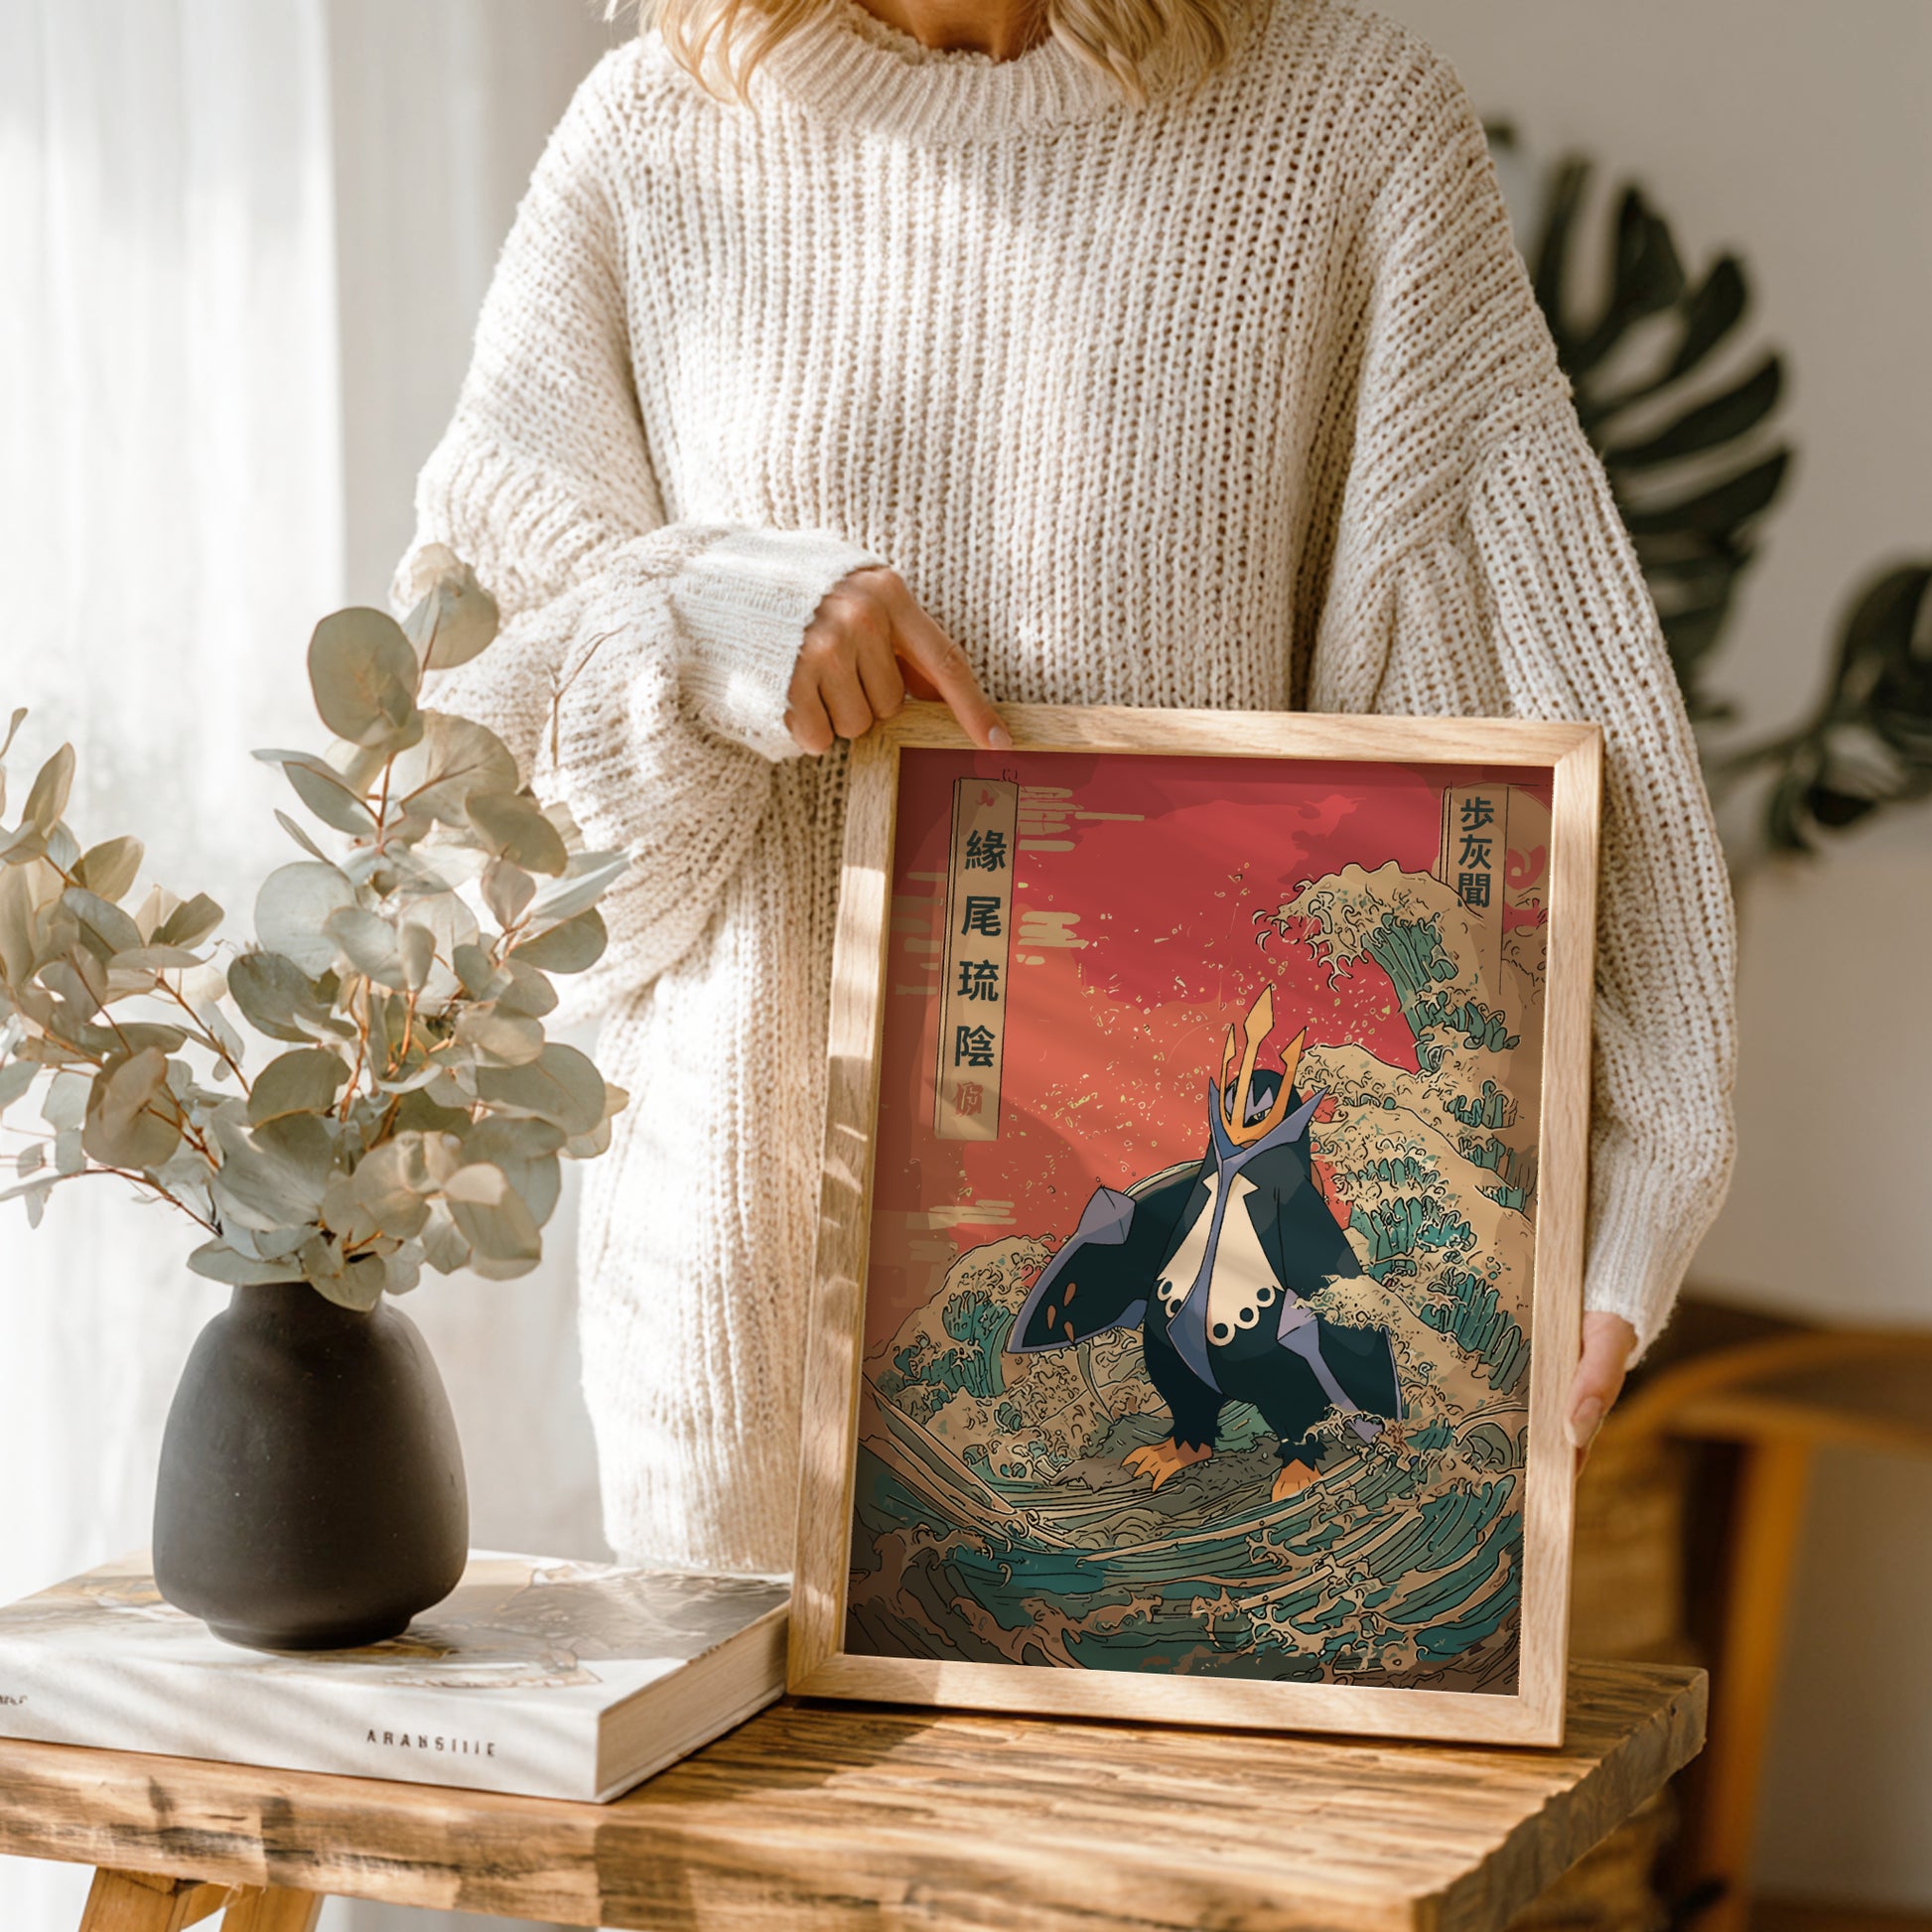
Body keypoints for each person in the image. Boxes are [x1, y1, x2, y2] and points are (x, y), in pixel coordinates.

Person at [394, 0, 1736, 1576]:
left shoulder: (1343, 128)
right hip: (737, 1341)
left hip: (1200, 1355)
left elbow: (1522, 698)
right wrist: (707, 620)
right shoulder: (650, 140)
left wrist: (1628, 1171)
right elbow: (466, 818)